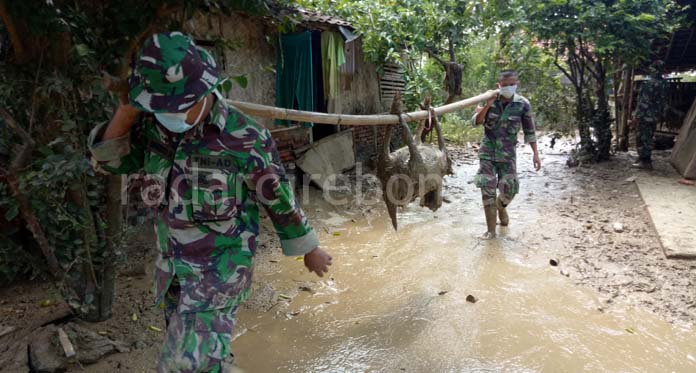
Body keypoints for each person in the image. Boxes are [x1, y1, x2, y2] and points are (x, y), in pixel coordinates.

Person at [88, 32, 333, 372]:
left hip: (220, 272)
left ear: (201, 92)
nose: (167, 114)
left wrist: (309, 247)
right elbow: (108, 161)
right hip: (172, 270)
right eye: (158, 105)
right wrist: (127, 111)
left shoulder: (244, 137)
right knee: (203, 358)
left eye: (176, 106)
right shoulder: (151, 128)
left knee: (183, 366)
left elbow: (277, 198)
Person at [472, 70, 541, 239]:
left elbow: (529, 131)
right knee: (487, 189)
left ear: (516, 84)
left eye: (512, 84)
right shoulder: (489, 100)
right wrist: (487, 105)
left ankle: (500, 207)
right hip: (487, 152)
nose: (509, 87)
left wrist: (536, 154)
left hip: (508, 154)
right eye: (505, 85)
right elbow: (476, 122)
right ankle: (490, 231)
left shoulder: (523, 104)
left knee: (510, 189)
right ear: (499, 86)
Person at [632, 60, 668, 169]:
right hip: (655, 115)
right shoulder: (664, 84)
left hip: (645, 115)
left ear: (654, 70)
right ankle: (644, 158)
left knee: (642, 137)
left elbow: (644, 102)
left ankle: (645, 160)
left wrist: (636, 116)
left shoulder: (650, 84)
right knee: (649, 136)